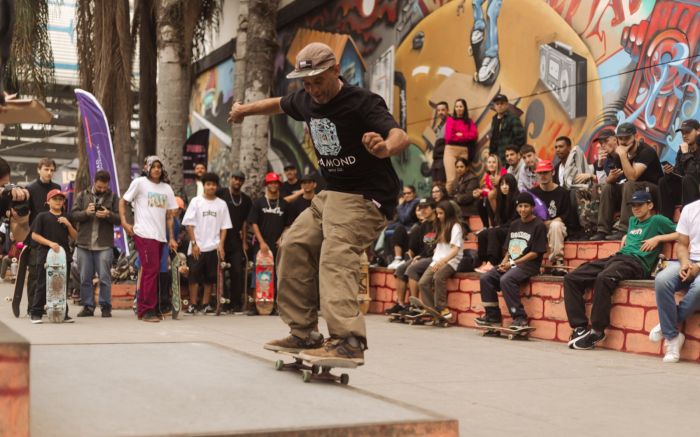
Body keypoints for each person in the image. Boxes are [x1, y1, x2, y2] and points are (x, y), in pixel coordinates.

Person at [229, 41, 409, 363]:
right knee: (294, 244)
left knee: (335, 253)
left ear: (335, 70)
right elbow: (278, 104)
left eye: (318, 81)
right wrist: (244, 111)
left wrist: (385, 148)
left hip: (366, 198)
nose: (313, 90)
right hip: (332, 196)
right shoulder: (305, 98)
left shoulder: (362, 103)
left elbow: (399, 135)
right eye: (306, 83)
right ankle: (304, 332)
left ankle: (348, 340)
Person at [565, 190, 676, 350]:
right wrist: (626, 237)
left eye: (640, 205)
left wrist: (658, 238)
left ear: (650, 205)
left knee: (604, 278)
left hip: (636, 263)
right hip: (617, 257)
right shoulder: (632, 221)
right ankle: (579, 327)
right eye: (633, 206)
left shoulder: (657, 220)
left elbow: (683, 233)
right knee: (572, 278)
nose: (636, 208)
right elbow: (633, 237)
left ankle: (597, 331)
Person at [119, 156, 178, 323]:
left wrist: (171, 237)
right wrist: (124, 222)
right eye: (153, 166)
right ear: (147, 168)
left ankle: (149, 308)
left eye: (159, 166)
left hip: (160, 237)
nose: (157, 169)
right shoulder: (140, 183)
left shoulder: (166, 188)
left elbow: (169, 215)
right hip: (144, 234)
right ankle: (146, 310)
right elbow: (123, 201)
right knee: (150, 271)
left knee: (154, 272)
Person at [476, 192, 547, 328]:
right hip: (511, 264)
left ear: (532, 207)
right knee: (486, 278)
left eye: (526, 206)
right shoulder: (514, 224)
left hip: (529, 265)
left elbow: (535, 253)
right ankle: (492, 316)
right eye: (520, 206)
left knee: (506, 280)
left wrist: (512, 264)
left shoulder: (538, 225)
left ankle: (520, 318)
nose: (523, 209)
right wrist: (504, 263)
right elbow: (510, 249)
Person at [589, 122, 663, 241]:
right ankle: (602, 230)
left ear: (635, 136)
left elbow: (632, 177)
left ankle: (624, 229)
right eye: (621, 138)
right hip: (632, 191)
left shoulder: (646, 151)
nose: (623, 142)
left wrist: (623, 156)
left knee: (629, 184)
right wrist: (611, 177)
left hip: (652, 191)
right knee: (608, 187)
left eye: (627, 138)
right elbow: (613, 180)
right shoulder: (618, 154)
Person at [650, 198, 700, 362]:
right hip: (689, 260)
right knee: (662, 279)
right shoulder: (691, 209)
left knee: (699, 287)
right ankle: (673, 336)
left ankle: (667, 327)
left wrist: (698, 267)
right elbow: (682, 244)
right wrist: (685, 263)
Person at [71, 170, 120, 318]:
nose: (102, 190)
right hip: (84, 244)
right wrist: (86, 212)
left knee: (105, 277)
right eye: (99, 187)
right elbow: (73, 215)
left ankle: (106, 307)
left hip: (104, 244)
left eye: (104, 187)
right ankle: (88, 306)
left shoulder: (113, 197)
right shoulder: (82, 195)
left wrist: (108, 215)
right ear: (94, 182)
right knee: (85, 277)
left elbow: (119, 219)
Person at [182, 172, 232, 315]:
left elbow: (224, 227)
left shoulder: (221, 204)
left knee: (210, 278)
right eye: (208, 184)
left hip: (213, 246)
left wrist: (221, 245)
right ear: (203, 186)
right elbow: (189, 225)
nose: (211, 187)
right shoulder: (196, 202)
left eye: (214, 185)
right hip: (197, 246)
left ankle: (205, 305)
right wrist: (194, 243)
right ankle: (192, 305)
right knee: (194, 278)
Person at [30, 189, 77, 323]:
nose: (58, 201)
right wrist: (50, 243)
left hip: (63, 256)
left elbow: (75, 237)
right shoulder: (42, 216)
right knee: (42, 284)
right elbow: (34, 235)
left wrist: (68, 225)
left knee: (63, 285)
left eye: (61, 199)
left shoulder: (67, 217)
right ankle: (36, 313)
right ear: (48, 201)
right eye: (55, 199)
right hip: (45, 254)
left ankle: (64, 313)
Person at [383, 198, 437, 316]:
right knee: (400, 269)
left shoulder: (439, 224)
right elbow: (425, 246)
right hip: (424, 256)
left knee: (412, 269)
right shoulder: (424, 225)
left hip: (436, 257)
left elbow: (438, 246)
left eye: (426, 207)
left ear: (433, 208)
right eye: (421, 208)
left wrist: (421, 257)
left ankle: (415, 306)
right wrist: (419, 256)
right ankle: (401, 304)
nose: (422, 210)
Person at [416, 200, 463, 320]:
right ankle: (432, 309)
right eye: (437, 213)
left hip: (451, 261)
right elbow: (434, 244)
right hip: (437, 260)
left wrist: (442, 262)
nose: (438, 216)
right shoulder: (439, 225)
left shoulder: (456, 227)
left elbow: (455, 250)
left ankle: (442, 308)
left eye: (441, 213)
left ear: (448, 213)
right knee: (423, 282)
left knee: (438, 277)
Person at [25, 158, 60, 314]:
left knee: (53, 273)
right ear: (39, 170)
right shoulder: (30, 188)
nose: (49, 172)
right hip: (36, 236)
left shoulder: (57, 188)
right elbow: (26, 215)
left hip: (54, 236)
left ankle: (48, 305)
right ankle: (33, 307)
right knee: (35, 274)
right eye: (46, 169)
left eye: (52, 170)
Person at [217, 170, 252, 312]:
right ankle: (222, 302)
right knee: (220, 270)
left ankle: (235, 303)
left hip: (236, 240)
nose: (237, 182)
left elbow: (245, 222)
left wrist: (244, 242)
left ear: (243, 182)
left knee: (237, 271)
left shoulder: (246, 200)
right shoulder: (221, 193)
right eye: (235, 179)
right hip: (220, 238)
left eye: (240, 179)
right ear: (230, 179)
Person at [475, 173, 519, 272]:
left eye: (507, 184)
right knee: (482, 234)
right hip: (504, 227)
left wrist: (499, 227)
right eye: (502, 184)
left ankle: (492, 262)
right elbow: (499, 218)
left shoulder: (517, 198)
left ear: (512, 185)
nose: (504, 187)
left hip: (515, 229)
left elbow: (515, 220)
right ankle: (484, 261)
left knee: (493, 232)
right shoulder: (501, 199)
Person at [658, 119, 700, 220]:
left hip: (696, 186)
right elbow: (679, 172)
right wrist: (670, 172)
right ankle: (665, 220)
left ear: (698, 131)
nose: (684, 136)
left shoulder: (685, 150)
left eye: (688, 132)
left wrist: (686, 154)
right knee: (664, 181)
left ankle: (688, 219)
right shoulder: (682, 150)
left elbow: (695, 174)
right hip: (686, 187)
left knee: (688, 179)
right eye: (682, 133)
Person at [444, 98, 478, 189]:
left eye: (461, 106)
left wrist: (461, 135)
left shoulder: (469, 121)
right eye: (457, 106)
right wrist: (465, 136)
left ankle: (460, 200)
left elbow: (474, 135)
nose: (459, 108)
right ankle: (448, 202)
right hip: (451, 151)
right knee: (451, 180)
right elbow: (449, 137)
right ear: (454, 108)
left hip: (464, 151)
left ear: (464, 108)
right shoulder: (450, 120)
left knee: (462, 178)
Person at [386, 185, 420, 269]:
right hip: (404, 227)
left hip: (411, 228)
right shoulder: (406, 203)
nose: (406, 195)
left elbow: (405, 218)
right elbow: (398, 220)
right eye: (404, 194)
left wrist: (400, 206)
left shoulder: (416, 202)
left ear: (414, 193)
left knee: (398, 229)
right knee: (384, 230)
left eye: (409, 193)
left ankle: (398, 258)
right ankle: (381, 258)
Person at [488, 94, 525, 164]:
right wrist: (491, 155)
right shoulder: (494, 119)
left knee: (506, 174)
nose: (499, 106)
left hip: (507, 159)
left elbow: (520, 137)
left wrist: (512, 153)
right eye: (497, 104)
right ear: (494, 106)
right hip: (495, 158)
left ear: (507, 105)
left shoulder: (512, 118)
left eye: (502, 103)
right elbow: (493, 138)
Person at [475, 154, 506, 228]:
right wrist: (480, 192)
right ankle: (486, 226)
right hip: (493, 197)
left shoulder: (503, 172)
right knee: (480, 201)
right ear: (486, 164)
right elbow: (488, 189)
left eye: (494, 162)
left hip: (503, 197)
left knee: (490, 196)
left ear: (498, 164)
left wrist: (497, 183)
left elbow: (503, 188)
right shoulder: (488, 176)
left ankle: (497, 222)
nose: (491, 164)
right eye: (489, 162)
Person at [430, 101, 449, 184]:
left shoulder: (451, 122)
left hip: (445, 156)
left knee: (442, 182)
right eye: (438, 110)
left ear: (447, 110)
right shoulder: (438, 126)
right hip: (437, 157)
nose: (440, 112)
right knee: (435, 182)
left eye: (443, 110)